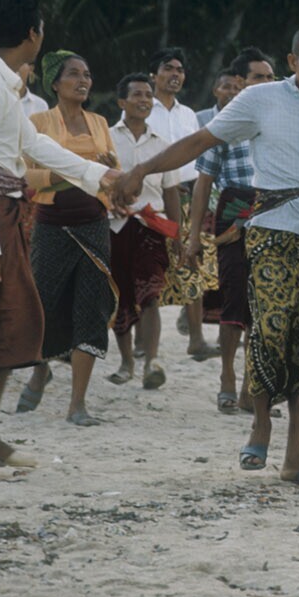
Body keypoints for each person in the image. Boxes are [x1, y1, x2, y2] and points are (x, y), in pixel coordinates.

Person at [113, 25, 299, 488]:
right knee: (269, 331)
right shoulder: (260, 99)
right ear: (292, 62)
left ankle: (295, 458)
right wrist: (143, 169)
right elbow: (200, 142)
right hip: (271, 231)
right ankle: (260, 425)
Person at [0, 0, 123, 477]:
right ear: (34, 34)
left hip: (3, 209)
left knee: (12, 323)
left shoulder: (1, 82)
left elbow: (31, 141)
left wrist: (96, 175)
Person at [17, 51, 120, 425]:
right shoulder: (37, 122)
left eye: (87, 74)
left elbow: (113, 172)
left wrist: (105, 170)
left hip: (93, 224)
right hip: (51, 226)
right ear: (54, 83)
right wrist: (73, 173)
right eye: (74, 74)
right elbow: (25, 175)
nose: (83, 80)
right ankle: (40, 370)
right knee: (43, 304)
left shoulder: (99, 122)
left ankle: (77, 404)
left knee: (90, 309)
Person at [187, 49, 275, 413]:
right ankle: (227, 378)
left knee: (265, 303)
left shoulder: (280, 120)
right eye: (258, 77)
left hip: (273, 212)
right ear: (240, 82)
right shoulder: (224, 122)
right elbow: (203, 182)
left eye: (270, 78)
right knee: (234, 300)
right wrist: (194, 235)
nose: (266, 84)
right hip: (234, 212)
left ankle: (251, 389)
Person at [108, 72, 184, 393]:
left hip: (152, 227)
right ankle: (126, 363)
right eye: (137, 95)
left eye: (148, 95)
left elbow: (171, 192)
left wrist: (178, 236)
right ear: (121, 102)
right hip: (115, 226)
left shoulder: (163, 146)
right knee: (121, 296)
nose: (144, 100)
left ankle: (152, 361)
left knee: (150, 294)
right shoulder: (106, 139)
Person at [148, 46, 214, 357]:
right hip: (154, 200)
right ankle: (141, 344)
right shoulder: (141, 107)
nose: (175, 74)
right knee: (149, 267)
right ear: (154, 75)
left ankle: (196, 339)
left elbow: (199, 158)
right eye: (168, 68)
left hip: (187, 198)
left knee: (192, 262)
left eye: (180, 70)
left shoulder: (189, 114)